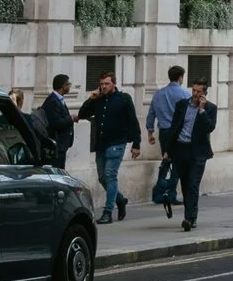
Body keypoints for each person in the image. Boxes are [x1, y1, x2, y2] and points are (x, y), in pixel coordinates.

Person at [79, 73, 141, 222]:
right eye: (102, 84)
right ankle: (120, 199)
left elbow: (133, 121)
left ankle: (108, 211)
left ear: (114, 84)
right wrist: (91, 99)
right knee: (102, 177)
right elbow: (82, 114)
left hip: (117, 142)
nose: (104, 86)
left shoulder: (124, 99)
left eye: (107, 83)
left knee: (110, 175)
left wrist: (136, 144)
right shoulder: (98, 100)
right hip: (101, 143)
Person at [164, 82, 217, 231]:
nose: (195, 94)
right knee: (185, 185)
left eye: (198, 92)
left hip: (198, 153)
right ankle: (192, 216)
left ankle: (189, 218)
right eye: (193, 90)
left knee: (193, 185)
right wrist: (168, 150)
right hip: (181, 149)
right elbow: (174, 127)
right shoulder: (182, 104)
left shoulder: (210, 108)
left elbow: (210, 127)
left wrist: (201, 110)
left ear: (204, 94)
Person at [147, 65, 189, 216]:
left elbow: (151, 113)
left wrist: (150, 131)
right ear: (180, 77)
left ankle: (159, 189)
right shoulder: (185, 93)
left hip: (163, 132)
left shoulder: (159, 94)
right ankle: (171, 193)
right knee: (177, 163)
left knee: (165, 160)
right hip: (178, 133)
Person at [37, 75, 76, 168]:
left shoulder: (59, 99)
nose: (70, 87)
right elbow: (56, 122)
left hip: (62, 145)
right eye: (68, 84)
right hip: (57, 145)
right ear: (63, 86)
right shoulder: (53, 101)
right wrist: (71, 119)